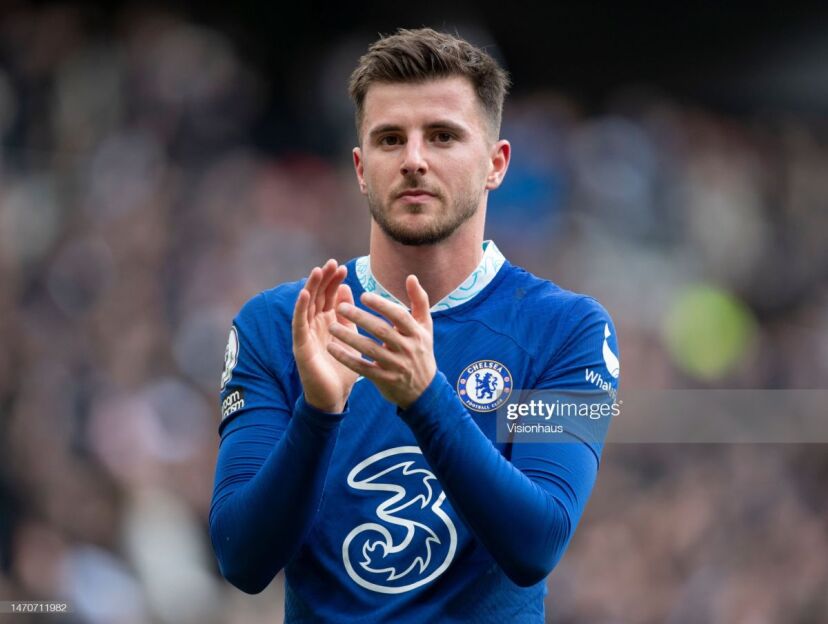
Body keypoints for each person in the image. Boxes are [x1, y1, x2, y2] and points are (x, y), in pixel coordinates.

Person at [210, 27, 620, 623]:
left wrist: (426, 398)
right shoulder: (279, 326)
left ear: (496, 164)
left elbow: (536, 544)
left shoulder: (567, 331)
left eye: (443, 136)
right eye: (390, 139)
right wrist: (318, 412)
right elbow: (241, 560)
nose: (414, 160)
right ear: (360, 168)